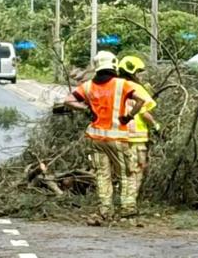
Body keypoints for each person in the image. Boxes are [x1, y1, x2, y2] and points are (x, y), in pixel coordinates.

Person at [65, 50, 146, 221]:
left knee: (103, 174)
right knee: (127, 173)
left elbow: (68, 101)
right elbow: (140, 101)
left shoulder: (87, 86)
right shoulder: (122, 84)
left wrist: (86, 109)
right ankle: (127, 208)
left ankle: (105, 209)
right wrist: (129, 116)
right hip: (118, 137)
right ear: (113, 65)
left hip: (96, 138)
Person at [116, 55, 160, 194]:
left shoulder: (114, 86)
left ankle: (122, 196)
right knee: (137, 169)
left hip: (116, 135)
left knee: (123, 169)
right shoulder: (137, 89)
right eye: (138, 72)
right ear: (133, 72)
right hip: (136, 138)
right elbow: (144, 113)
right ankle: (130, 200)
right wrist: (155, 125)